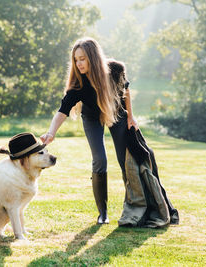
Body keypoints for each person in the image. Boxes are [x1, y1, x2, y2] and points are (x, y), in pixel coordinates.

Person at [40, 37, 138, 224]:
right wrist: (51, 133)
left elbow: (125, 91)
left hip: (116, 113)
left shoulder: (115, 70)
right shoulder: (78, 86)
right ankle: (103, 213)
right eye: (76, 60)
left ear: (92, 57)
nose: (79, 63)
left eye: (82, 59)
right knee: (100, 159)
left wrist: (131, 117)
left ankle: (132, 207)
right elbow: (62, 112)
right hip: (92, 117)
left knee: (124, 159)